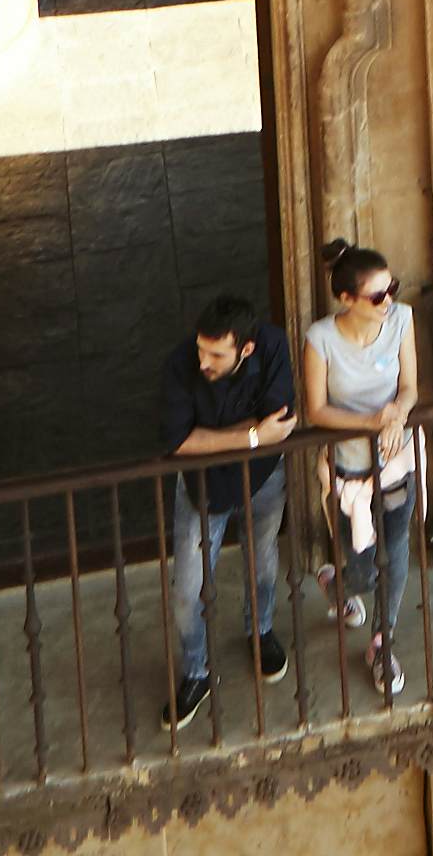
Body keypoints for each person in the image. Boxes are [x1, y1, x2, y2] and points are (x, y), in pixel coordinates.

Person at [159, 292, 296, 727]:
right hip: (204, 490)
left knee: (263, 558)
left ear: (246, 348)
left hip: (264, 478)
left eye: (216, 354)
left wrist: (214, 436)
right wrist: (253, 435)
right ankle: (196, 672)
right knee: (187, 589)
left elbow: (283, 419)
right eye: (201, 349)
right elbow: (180, 443)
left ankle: (260, 631)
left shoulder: (272, 344)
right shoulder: (180, 365)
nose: (204, 361)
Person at [301, 240, 422, 698]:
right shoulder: (321, 340)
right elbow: (316, 410)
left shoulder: (402, 320)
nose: (387, 301)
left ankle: (382, 641)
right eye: (376, 296)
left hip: (396, 459)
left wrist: (396, 414)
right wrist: (368, 423)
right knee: (365, 568)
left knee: (397, 549)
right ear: (347, 299)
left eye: (390, 288)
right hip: (350, 468)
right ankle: (338, 585)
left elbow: (410, 386)